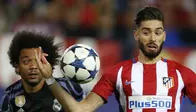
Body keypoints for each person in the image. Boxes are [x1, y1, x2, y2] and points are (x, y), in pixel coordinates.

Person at [34, 6, 196, 112]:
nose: (153, 38)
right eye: (146, 32)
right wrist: (49, 79)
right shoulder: (117, 73)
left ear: (164, 36)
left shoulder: (182, 73)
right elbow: (79, 110)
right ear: (136, 35)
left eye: (158, 32)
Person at [0, 31, 84, 112]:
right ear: (17, 66)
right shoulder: (10, 96)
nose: (33, 66)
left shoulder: (68, 88)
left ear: (48, 64)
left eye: (39, 61)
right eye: (26, 61)